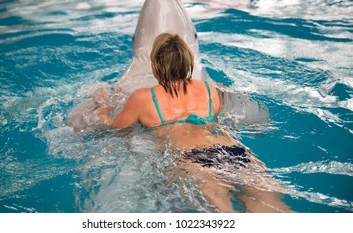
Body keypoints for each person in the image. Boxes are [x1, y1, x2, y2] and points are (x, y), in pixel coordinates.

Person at [94, 32, 292, 212]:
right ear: (188, 63)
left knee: (222, 215)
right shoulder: (208, 89)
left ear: (155, 67)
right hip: (234, 151)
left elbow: (112, 128)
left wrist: (102, 104)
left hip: (193, 159)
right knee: (273, 210)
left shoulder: (143, 98)